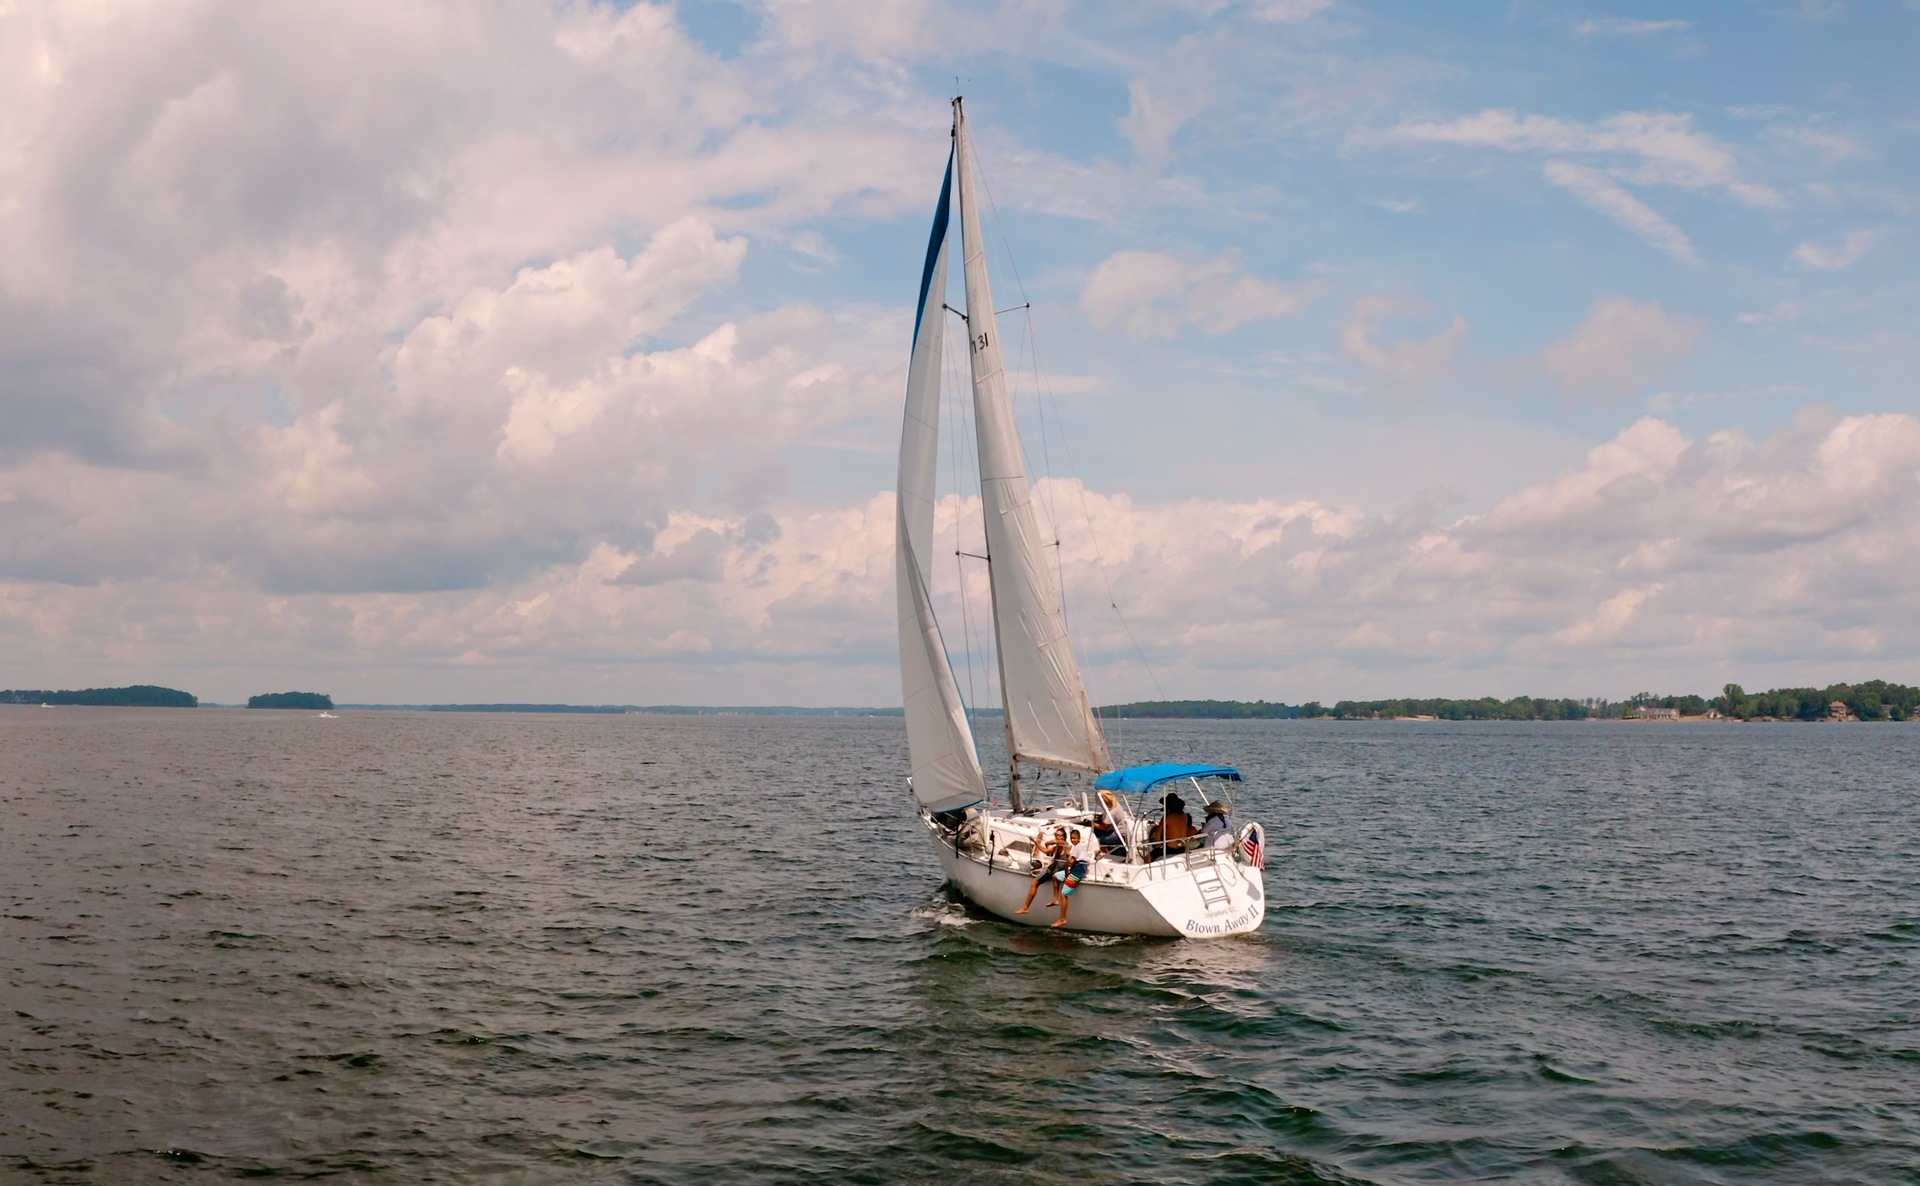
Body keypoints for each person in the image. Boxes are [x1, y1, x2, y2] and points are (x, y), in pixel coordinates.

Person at [1014, 826, 1071, 916]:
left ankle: (1054, 899)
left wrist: (1048, 843)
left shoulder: (1065, 844)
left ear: (1064, 837)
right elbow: (1045, 850)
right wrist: (1035, 841)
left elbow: (1053, 842)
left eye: (1060, 835)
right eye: (1056, 835)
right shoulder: (1056, 848)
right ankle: (1026, 907)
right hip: (1052, 870)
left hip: (1056, 871)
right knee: (1034, 883)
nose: (1058, 837)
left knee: (1043, 879)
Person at [1051, 825, 1100, 929]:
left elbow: (1071, 862)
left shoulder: (1077, 848)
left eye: (1074, 838)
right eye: (1072, 838)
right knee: (1055, 876)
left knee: (1064, 894)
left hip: (1076, 873)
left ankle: (1062, 919)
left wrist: (1068, 854)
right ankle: (1055, 899)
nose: (1073, 840)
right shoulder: (1079, 848)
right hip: (1074, 870)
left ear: (1079, 838)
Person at [1148, 791, 1198, 860]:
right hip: (1182, 847)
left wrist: (1158, 845)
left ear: (1168, 806)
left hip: (1171, 848)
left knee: (1148, 857)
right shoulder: (1185, 816)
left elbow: (1158, 833)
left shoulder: (1167, 817)